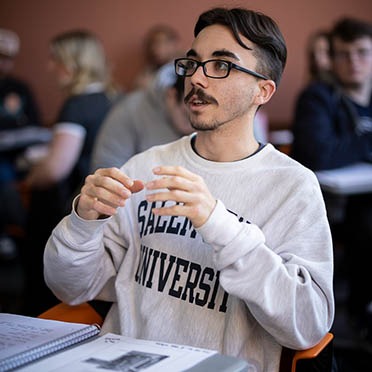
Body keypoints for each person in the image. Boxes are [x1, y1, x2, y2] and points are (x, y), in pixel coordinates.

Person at [44, 8, 334, 371]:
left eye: (221, 65)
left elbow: (308, 326)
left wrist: (219, 222)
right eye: (193, 63)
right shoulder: (145, 166)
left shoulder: (293, 186)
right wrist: (83, 223)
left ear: (263, 90)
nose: (197, 78)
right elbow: (68, 288)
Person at [21, 30, 119, 316]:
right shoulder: (113, 98)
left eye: (55, 58)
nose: (50, 66)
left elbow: (55, 169)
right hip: (101, 210)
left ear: (72, 62)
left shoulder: (76, 106)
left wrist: (31, 176)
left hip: (67, 210)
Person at [291, 17, 372, 337]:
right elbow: (317, 154)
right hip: (333, 205)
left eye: (362, 52)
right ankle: (360, 314)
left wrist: (352, 144)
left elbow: (337, 148)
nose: (353, 61)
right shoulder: (317, 97)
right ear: (332, 58)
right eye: (344, 53)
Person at [91, 63, 193, 171]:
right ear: (171, 96)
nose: (193, 128)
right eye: (186, 116)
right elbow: (106, 166)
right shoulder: (131, 110)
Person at [0, 28, 42, 260]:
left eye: (7, 58)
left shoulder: (20, 87)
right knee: (4, 174)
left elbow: (35, 123)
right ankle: (18, 230)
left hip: (23, 151)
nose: (3, 63)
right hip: (3, 158)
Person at [133, 24, 182, 90]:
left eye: (160, 43)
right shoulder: (150, 69)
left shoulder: (182, 67)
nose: (155, 49)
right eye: (152, 44)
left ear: (173, 44)